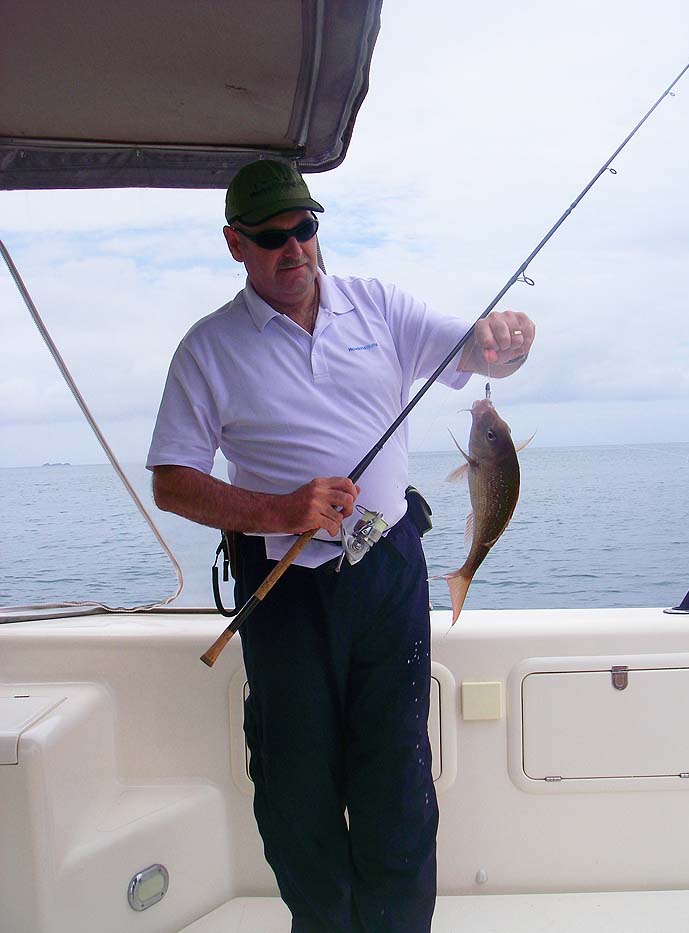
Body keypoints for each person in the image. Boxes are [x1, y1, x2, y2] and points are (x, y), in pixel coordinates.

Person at [147, 160, 535, 932]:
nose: (293, 248)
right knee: (297, 792)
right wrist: (280, 509)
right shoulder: (207, 349)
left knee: (396, 778)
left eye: (305, 228)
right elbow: (173, 482)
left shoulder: (378, 306)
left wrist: (505, 342)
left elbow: (475, 352)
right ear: (235, 244)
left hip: (387, 572)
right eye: (270, 236)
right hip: (281, 588)